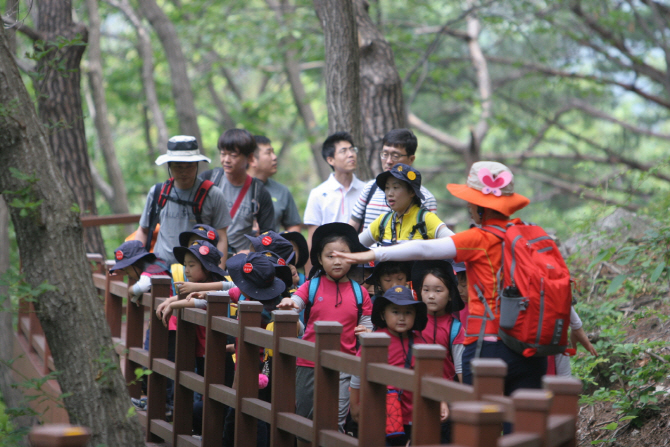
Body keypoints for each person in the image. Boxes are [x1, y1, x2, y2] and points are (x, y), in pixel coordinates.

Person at [332, 161, 549, 418]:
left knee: (478, 425)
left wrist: (366, 256)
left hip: (488, 345)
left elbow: (424, 248)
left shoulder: (479, 239)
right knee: (525, 424)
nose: (468, 208)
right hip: (532, 345)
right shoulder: (533, 235)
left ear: (481, 206)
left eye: (471, 202)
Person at [277, 223, 372, 439]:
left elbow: (368, 324)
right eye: (330, 256)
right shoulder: (311, 286)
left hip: (344, 365)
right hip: (308, 363)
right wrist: (290, 303)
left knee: (334, 423)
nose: (337, 261)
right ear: (319, 259)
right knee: (304, 421)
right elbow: (297, 301)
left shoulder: (360, 293)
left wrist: (367, 331)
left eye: (343, 255)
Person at [134, 135, 231, 266]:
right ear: (169, 166)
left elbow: (221, 237)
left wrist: (218, 273)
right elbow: (143, 230)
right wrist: (138, 265)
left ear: (197, 165)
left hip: (199, 272)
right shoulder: (158, 192)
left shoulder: (213, 195)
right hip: (161, 269)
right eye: (178, 166)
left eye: (189, 166)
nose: (184, 172)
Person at [349, 286, 428, 445]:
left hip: (411, 416)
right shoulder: (375, 341)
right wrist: (354, 404)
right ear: (382, 315)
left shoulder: (421, 343)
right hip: (379, 412)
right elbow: (358, 373)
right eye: (395, 311)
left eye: (408, 312)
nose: (402, 318)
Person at [411, 260, 466, 443]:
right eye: (426, 290)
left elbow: (460, 370)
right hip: (412, 391)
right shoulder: (411, 321)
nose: (431, 296)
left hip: (446, 395)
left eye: (438, 290)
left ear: (450, 295)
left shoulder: (455, 328)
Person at [200, 129, 275, 255]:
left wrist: (251, 252)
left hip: (239, 261)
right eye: (223, 154)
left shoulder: (258, 191)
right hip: (207, 254)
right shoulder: (209, 180)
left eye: (233, 156)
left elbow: (268, 234)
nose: (226, 160)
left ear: (249, 158)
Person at [349, 129, 437, 233]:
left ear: (411, 159)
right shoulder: (371, 187)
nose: (389, 161)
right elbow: (352, 227)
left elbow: (429, 240)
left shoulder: (425, 198)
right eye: (385, 154)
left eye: (395, 156)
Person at [303, 132, 366, 258]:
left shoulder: (366, 190)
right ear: (330, 160)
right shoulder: (318, 194)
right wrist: (310, 277)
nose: (351, 154)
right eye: (344, 151)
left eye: (352, 150)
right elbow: (312, 239)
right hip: (330, 262)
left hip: (362, 261)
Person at [360, 163, 453, 247]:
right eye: (387, 188)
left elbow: (455, 243)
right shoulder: (383, 221)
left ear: (412, 192)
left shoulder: (426, 219)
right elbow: (354, 247)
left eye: (395, 187)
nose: (389, 193)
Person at [248, 135, 302, 232]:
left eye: (273, 152)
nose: (274, 157)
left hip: (270, 245)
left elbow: (293, 226)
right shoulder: (234, 186)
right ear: (252, 159)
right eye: (268, 153)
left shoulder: (281, 191)